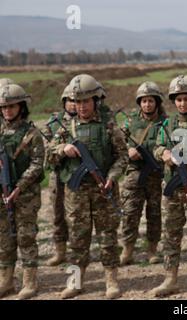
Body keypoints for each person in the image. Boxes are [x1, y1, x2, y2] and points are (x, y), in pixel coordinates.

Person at [47, 74, 127, 299]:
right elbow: (48, 156)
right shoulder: (66, 128)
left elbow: (123, 157)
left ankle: (111, 280)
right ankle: (75, 280)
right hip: (76, 193)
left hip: (104, 190)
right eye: (78, 102)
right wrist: (62, 149)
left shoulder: (109, 126)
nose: (81, 106)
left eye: (86, 101)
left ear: (95, 101)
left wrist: (112, 176)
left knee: (107, 237)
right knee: (78, 238)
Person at [149, 75, 187, 300]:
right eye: (178, 99)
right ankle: (170, 278)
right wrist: (163, 153)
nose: (182, 103)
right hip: (172, 188)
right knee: (171, 233)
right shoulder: (168, 123)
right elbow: (157, 145)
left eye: (186, 99)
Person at [0, 84, 45, 299]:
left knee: (26, 237)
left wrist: (19, 187)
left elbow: (37, 164)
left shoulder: (31, 133)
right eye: (3, 107)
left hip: (25, 195)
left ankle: (29, 281)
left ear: (21, 107)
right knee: (4, 238)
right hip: (3, 194)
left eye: (11, 106)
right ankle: (6, 281)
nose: (7, 111)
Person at [119, 81, 166, 266]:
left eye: (150, 101)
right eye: (144, 101)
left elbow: (169, 145)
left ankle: (152, 250)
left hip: (155, 174)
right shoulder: (131, 121)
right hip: (134, 174)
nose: (147, 104)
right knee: (130, 212)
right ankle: (127, 250)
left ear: (157, 102)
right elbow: (118, 144)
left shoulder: (165, 123)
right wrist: (129, 151)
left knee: (154, 214)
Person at [43, 85, 77, 266]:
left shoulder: (85, 121)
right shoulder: (54, 122)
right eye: (70, 100)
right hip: (58, 173)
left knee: (76, 216)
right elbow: (46, 152)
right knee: (58, 214)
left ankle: (76, 251)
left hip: (76, 174)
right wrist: (61, 150)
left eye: (76, 100)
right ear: (64, 102)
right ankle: (60, 251)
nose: (73, 104)